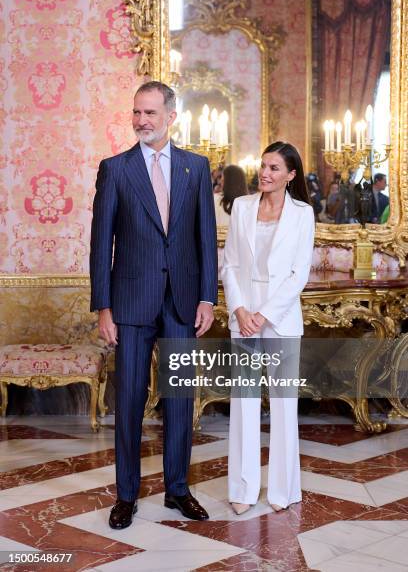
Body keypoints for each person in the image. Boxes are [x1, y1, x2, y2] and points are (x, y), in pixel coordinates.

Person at [90, 81, 218, 529]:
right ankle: (126, 495)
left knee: (180, 397)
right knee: (127, 398)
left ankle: (178, 491)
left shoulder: (196, 168)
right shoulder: (115, 169)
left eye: (150, 113)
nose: (141, 121)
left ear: (171, 116)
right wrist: (104, 307)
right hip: (130, 302)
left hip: (183, 302)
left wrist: (207, 296)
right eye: (136, 113)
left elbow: (205, 239)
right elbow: (100, 243)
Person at [221, 141, 315, 515]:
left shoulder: (302, 214)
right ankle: (242, 491)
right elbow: (229, 265)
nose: (265, 173)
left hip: (281, 317)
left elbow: (299, 273)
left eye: (275, 168)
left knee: (283, 405)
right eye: (263, 166)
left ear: (291, 175)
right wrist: (241, 310)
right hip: (243, 314)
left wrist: (265, 314)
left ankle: (283, 491)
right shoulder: (241, 207)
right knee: (243, 404)